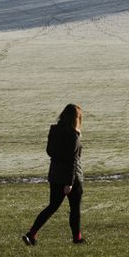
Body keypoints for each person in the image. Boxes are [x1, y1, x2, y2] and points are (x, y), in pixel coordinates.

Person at [23, 103, 85, 245]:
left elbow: (49, 151)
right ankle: (77, 237)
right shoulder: (74, 136)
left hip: (55, 173)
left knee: (52, 206)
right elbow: (73, 160)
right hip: (71, 176)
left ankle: (32, 233)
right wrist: (69, 182)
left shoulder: (54, 131)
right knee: (75, 209)